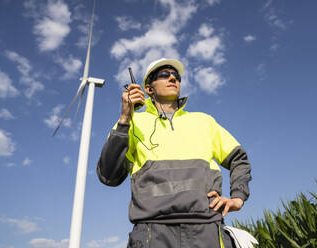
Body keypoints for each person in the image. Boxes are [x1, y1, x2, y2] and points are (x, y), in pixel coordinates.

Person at [97, 58, 252, 248]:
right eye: (164, 74)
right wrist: (124, 118)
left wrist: (238, 197)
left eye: (176, 76)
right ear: (148, 89)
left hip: (206, 229)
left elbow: (239, 159)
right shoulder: (132, 123)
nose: (173, 78)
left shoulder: (204, 122)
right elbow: (109, 176)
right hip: (151, 233)